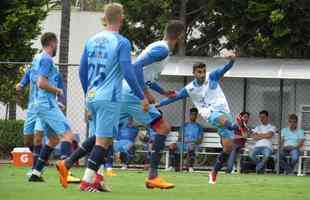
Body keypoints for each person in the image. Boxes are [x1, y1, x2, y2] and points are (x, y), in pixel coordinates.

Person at [56, 3, 146, 192]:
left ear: (105, 19)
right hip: (109, 97)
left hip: (93, 95)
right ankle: (87, 182)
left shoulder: (92, 40)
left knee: (102, 137)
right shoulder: (121, 42)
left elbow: (82, 70)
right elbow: (128, 72)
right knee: (103, 142)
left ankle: (77, 168)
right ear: (121, 19)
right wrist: (141, 96)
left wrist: (87, 94)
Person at [157, 54, 238, 184]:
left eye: (204, 71)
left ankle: (214, 172)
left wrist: (232, 60)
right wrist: (158, 104)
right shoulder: (190, 88)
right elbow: (174, 97)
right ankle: (235, 126)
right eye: (199, 72)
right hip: (210, 114)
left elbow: (226, 68)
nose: (202, 74)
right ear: (194, 73)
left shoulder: (212, 76)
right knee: (221, 119)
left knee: (228, 148)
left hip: (224, 112)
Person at [27, 32, 76, 183]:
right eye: (56, 44)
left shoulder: (37, 57)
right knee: (68, 136)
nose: (57, 47)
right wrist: (58, 91)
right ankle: (66, 172)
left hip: (39, 104)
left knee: (53, 139)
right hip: (47, 103)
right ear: (52, 43)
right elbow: (41, 83)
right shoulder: (47, 59)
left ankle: (36, 172)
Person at [168, 108, 203, 172]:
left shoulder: (199, 127)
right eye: (192, 114)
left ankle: (190, 167)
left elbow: (200, 140)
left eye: (195, 115)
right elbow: (179, 137)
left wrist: (191, 142)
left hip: (193, 145)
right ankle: (171, 166)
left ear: (196, 116)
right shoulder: (184, 125)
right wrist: (183, 141)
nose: (193, 116)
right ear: (189, 115)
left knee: (191, 146)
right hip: (183, 144)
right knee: (172, 146)